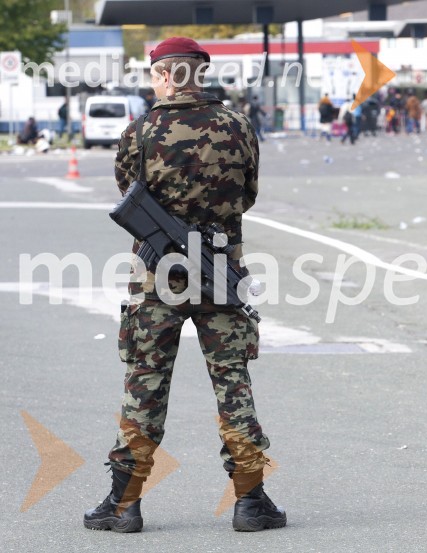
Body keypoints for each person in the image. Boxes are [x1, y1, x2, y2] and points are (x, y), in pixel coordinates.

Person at [84, 36, 285, 534]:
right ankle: (250, 501)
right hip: (221, 273)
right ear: (201, 72)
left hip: (157, 282)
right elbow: (248, 194)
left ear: (163, 75)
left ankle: (123, 504)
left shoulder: (141, 131)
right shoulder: (239, 127)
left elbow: (129, 191)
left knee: (144, 386)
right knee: (233, 384)